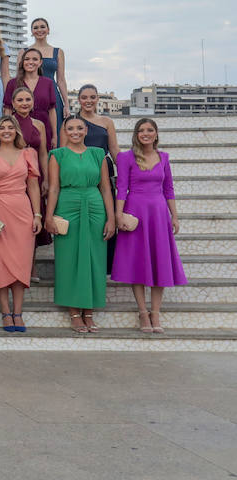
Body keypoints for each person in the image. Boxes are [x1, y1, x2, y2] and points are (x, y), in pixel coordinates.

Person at [113, 118, 187, 333]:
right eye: (141, 130)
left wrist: (174, 216)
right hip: (135, 212)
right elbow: (121, 187)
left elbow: (169, 189)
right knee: (138, 264)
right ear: (136, 134)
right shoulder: (126, 157)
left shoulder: (164, 158)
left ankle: (156, 313)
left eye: (150, 130)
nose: (145, 133)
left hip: (159, 214)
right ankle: (143, 313)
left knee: (159, 262)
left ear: (156, 134)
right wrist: (119, 215)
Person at [47, 115, 115, 332]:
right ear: (64, 132)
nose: (75, 132)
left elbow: (105, 187)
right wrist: (48, 216)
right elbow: (54, 187)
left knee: (94, 257)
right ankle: (74, 311)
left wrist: (111, 217)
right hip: (67, 206)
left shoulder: (98, 155)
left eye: (79, 128)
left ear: (86, 130)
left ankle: (89, 310)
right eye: (70, 128)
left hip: (95, 207)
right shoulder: (57, 155)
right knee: (69, 258)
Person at [0, 115, 42, 334]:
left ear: (16, 131)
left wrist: (37, 215)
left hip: (22, 211)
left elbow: (33, 186)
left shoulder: (28, 154)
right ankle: (5, 311)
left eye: (10, 127)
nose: (6, 131)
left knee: (21, 264)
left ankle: (18, 312)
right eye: (2, 127)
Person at [3, 48, 59, 146]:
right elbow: (7, 109)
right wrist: (7, 129)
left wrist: (54, 135)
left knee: (42, 157)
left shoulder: (48, 83)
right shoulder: (12, 83)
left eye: (34, 59)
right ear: (22, 62)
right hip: (18, 127)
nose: (30, 62)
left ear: (40, 62)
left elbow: (52, 111)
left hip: (43, 126)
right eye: (27, 59)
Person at [30, 17, 68, 131]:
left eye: (42, 27)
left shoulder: (58, 52)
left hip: (52, 95)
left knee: (55, 130)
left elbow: (61, 80)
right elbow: (20, 78)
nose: (39, 30)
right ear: (32, 32)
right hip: (31, 95)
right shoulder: (24, 51)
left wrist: (66, 104)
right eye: (35, 28)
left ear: (48, 30)